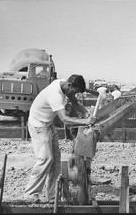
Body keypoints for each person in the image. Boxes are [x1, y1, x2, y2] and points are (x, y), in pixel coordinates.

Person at [24, 74, 93, 203]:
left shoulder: (64, 85)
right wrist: (85, 121)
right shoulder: (55, 94)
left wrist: (86, 113)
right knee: (45, 159)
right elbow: (65, 120)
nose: (75, 94)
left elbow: (75, 102)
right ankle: (30, 194)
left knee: (55, 161)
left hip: (48, 124)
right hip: (38, 125)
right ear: (70, 85)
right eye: (75, 91)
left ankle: (52, 196)